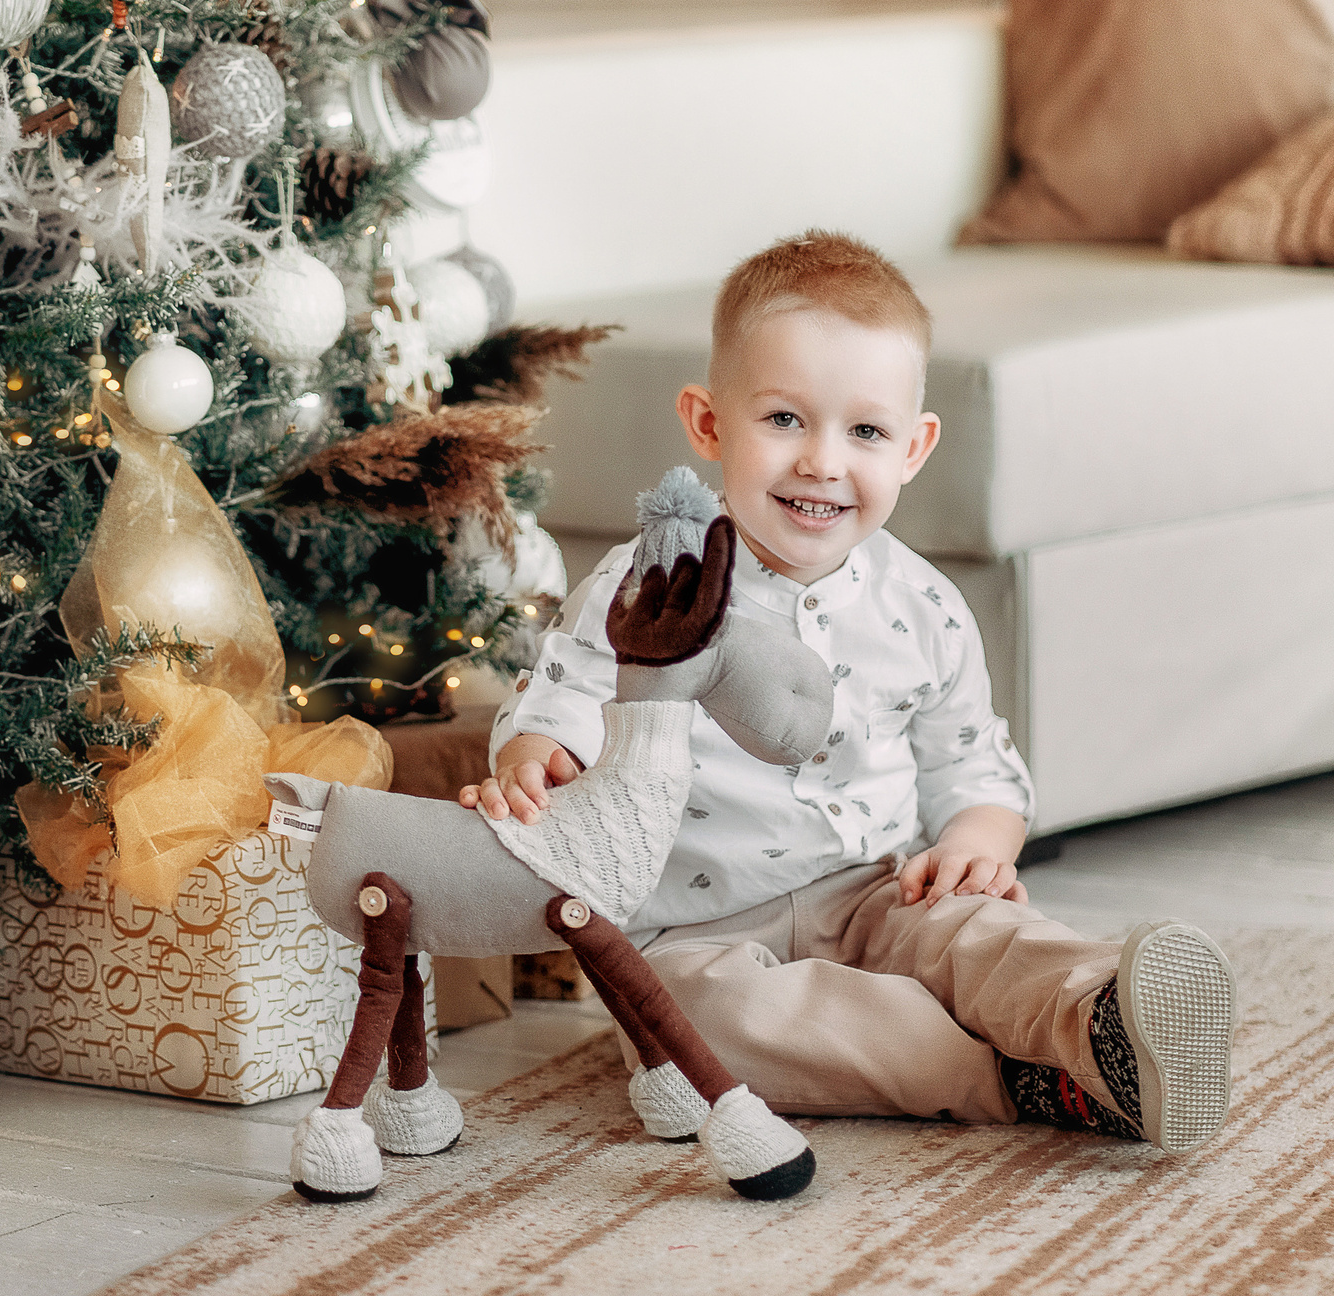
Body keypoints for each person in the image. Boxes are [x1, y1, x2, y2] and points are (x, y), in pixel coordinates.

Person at [460, 231, 1236, 1150]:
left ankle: (1100, 1013)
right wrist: (536, 759)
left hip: (876, 888)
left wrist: (978, 844)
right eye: (784, 419)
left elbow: (972, 763)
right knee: (688, 1027)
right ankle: (1013, 1078)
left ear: (914, 446)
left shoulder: (926, 608)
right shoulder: (651, 585)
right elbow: (561, 700)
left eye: (865, 431)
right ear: (710, 424)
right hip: (689, 926)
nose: (824, 462)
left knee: (973, 935)